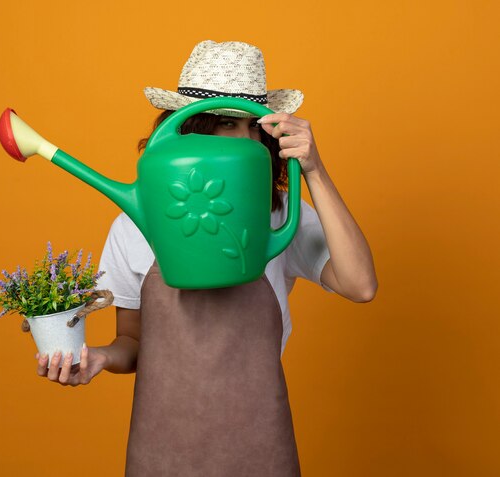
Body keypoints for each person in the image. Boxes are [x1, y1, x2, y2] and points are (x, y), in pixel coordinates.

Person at [35, 40, 378, 476]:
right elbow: (134, 344)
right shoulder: (131, 227)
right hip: (162, 447)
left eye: (256, 127)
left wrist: (314, 169)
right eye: (225, 124)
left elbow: (361, 285)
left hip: (259, 443)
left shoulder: (278, 217)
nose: (247, 139)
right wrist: (100, 357)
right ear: (188, 130)